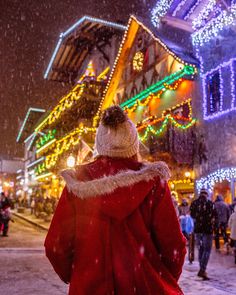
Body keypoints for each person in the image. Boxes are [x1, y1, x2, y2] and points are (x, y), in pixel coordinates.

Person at [45, 106, 186, 295]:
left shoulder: (78, 184)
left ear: (99, 145)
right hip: (145, 287)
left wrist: (80, 274)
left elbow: (56, 246)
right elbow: (173, 245)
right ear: (134, 145)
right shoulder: (153, 183)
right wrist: (159, 276)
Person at [190, 188, 216, 280]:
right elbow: (214, 215)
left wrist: (198, 219)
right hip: (207, 230)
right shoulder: (210, 204)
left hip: (198, 229)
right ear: (207, 194)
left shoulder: (194, 203)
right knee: (207, 250)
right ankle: (202, 269)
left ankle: (202, 269)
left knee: (201, 249)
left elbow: (192, 215)